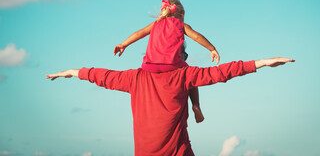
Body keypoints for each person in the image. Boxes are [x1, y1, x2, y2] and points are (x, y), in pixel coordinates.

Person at [46, 53, 294, 156]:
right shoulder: (184, 75)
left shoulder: (134, 78)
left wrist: (70, 71)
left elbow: (99, 75)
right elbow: (222, 72)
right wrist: (261, 62)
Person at [113, 0, 220, 123]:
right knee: (190, 75)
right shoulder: (181, 25)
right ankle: (196, 105)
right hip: (171, 65)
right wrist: (212, 48)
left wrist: (123, 44)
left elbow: (139, 33)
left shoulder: (155, 24)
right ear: (181, 14)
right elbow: (196, 36)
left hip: (149, 67)